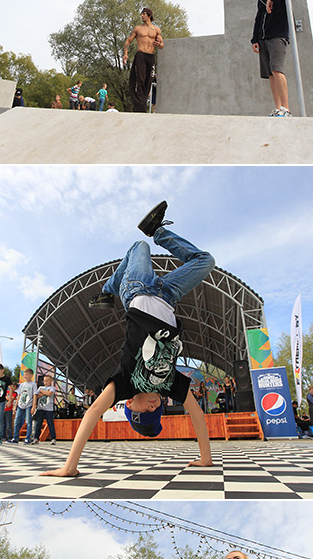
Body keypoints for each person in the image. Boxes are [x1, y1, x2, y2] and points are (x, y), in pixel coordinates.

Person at [42, 201, 214, 479]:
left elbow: (92, 414)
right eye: (153, 410)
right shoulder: (172, 385)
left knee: (139, 247)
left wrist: (70, 466)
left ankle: (109, 290)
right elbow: (197, 415)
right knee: (205, 261)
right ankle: (150, 242)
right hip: (168, 296)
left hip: (137, 291)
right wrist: (205, 459)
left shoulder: (123, 384)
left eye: (138, 410)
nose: (150, 406)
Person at [251, 0, 297, 118]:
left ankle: (286, 109)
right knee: (270, 74)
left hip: (277, 36)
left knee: (277, 70)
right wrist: (255, 40)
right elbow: (258, 20)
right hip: (263, 38)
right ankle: (278, 108)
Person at [123, 8, 164, 114]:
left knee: (148, 82)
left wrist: (158, 45)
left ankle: (142, 106)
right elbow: (128, 41)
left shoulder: (156, 30)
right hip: (140, 55)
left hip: (150, 57)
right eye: (141, 14)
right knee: (139, 81)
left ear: (149, 15)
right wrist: (125, 54)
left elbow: (162, 45)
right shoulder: (138, 29)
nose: (141, 16)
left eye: (144, 14)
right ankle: (140, 108)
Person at [12, 367, 37, 444]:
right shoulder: (22, 385)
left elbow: (35, 395)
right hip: (20, 404)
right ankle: (15, 438)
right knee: (16, 421)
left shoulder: (33, 384)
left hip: (28, 405)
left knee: (28, 421)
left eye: (26, 374)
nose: (25, 376)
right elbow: (19, 395)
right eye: (24, 374)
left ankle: (28, 438)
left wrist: (33, 406)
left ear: (31, 375)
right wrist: (15, 406)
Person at [34, 373, 57, 443]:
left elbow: (50, 394)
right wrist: (44, 392)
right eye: (44, 381)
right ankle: (36, 438)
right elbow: (37, 395)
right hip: (40, 408)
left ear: (50, 381)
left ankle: (53, 438)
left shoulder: (52, 388)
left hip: (49, 409)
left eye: (47, 381)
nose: (45, 382)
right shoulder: (40, 387)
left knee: (50, 423)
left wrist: (42, 392)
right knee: (38, 423)